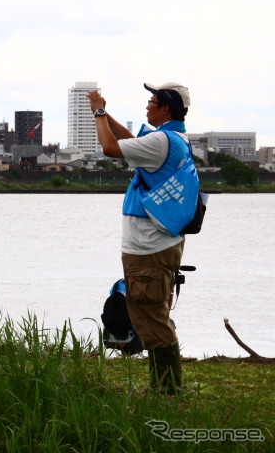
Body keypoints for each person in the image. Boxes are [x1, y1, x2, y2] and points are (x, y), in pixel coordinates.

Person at [87, 82, 194, 394]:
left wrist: (98, 111)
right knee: (153, 313)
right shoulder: (170, 138)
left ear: (165, 108)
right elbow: (128, 140)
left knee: (151, 319)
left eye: (152, 101)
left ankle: (167, 390)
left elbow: (110, 148)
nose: (147, 106)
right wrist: (106, 113)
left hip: (149, 248)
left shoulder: (162, 141)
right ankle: (165, 386)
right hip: (156, 244)